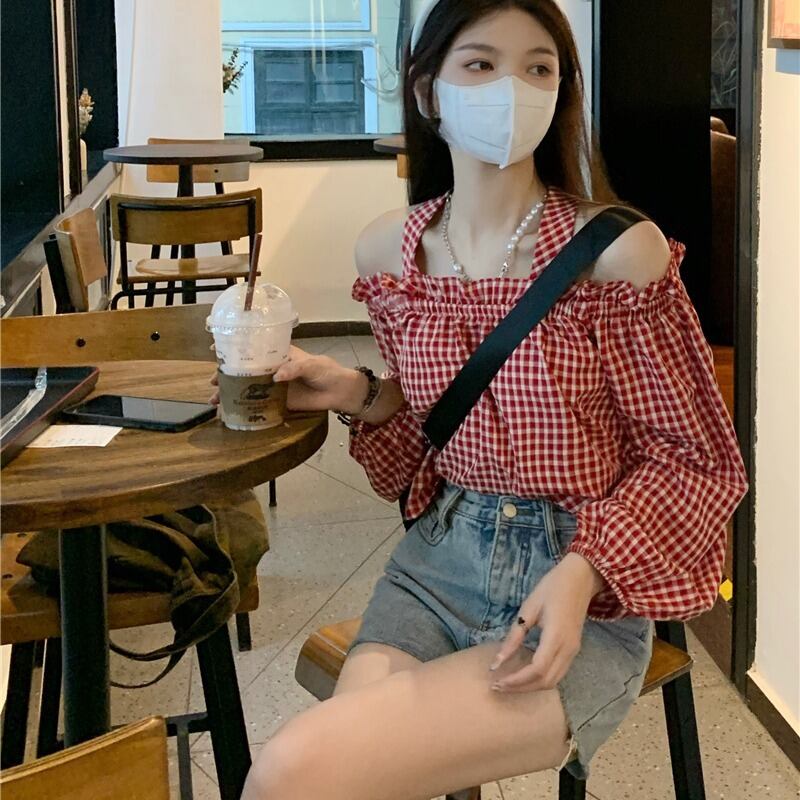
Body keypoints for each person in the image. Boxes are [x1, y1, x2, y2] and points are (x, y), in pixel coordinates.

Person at [237, 1, 750, 797]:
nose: (511, 89)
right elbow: (431, 443)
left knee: (293, 770)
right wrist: (360, 393)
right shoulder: (391, 254)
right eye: (480, 64)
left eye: (537, 68)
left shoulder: (618, 253)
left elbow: (695, 460)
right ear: (427, 91)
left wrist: (585, 570)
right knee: (342, 776)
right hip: (436, 567)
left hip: (580, 584)